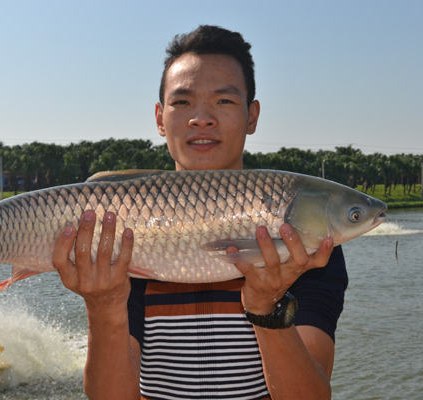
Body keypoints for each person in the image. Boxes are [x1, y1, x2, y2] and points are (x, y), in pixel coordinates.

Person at [52, 25, 348, 400]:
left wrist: (266, 308)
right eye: (183, 102)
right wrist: (104, 306)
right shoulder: (128, 231)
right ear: (160, 118)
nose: (202, 118)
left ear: (252, 116)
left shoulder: (308, 248)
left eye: (224, 101)